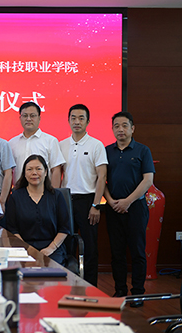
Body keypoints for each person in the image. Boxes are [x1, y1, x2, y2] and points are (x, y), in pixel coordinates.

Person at [104, 111, 154, 303]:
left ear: (132, 128)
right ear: (112, 129)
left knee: (137, 251)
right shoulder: (107, 151)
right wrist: (110, 201)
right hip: (113, 208)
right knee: (117, 252)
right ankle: (120, 291)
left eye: (124, 125)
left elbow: (148, 180)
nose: (120, 129)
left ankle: (138, 293)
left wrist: (128, 201)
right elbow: (101, 180)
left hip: (136, 208)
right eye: (116, 126)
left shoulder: (143, 150)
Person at [59, 104, 107, 286]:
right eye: (73, 118)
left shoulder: (96, 145)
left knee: (90, 246)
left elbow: (102, 177)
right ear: (68, 120)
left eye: (81, 118)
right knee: (66, 244)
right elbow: (57, 173)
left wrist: (96, 205)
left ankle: (90, 286)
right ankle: (68, 285)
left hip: (88, 201)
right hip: (66, 201)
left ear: (88, 121)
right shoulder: (62, 145)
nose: (77, 121)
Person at [4, 155, 71, 265]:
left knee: (51, 269)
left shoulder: (56, 196)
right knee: (22, 270)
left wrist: (50, 248)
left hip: (52, 247)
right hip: (24, 248)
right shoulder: (15, 197)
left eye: (38, 169)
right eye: (29, 169)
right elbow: (12, 229)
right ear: (24, 173)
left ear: (46, 172)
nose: (34, 173)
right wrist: (26, 248)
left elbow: (64, 228)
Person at [9, 102, 65, 188]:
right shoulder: (12, 143)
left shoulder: (50, 141)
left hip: (44, 191)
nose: (28, 119)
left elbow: (56, 169)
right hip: (19, 191)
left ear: (39, 118)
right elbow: (9, 172)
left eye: (32, 116)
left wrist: (54, 193)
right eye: (25, 116)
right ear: (20, 118)